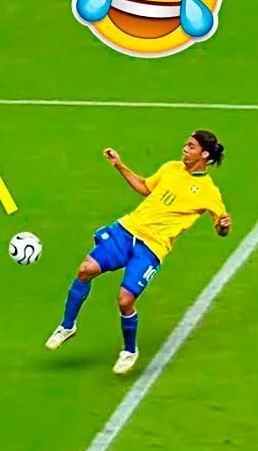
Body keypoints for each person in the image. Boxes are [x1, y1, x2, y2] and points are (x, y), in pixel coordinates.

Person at [46, 130, 231, 375]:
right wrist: (119, 165)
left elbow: (221, 228)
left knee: (125, 301)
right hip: (127, 230)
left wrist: (223, 226)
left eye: (191, 146)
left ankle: (129, 351)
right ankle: (67, 326)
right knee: (85, 270)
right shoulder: (171, 168)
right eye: (186, 145)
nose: (185, 149)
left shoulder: (209, 191)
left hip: (152, 247)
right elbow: (145, 187)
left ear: (204, 154)